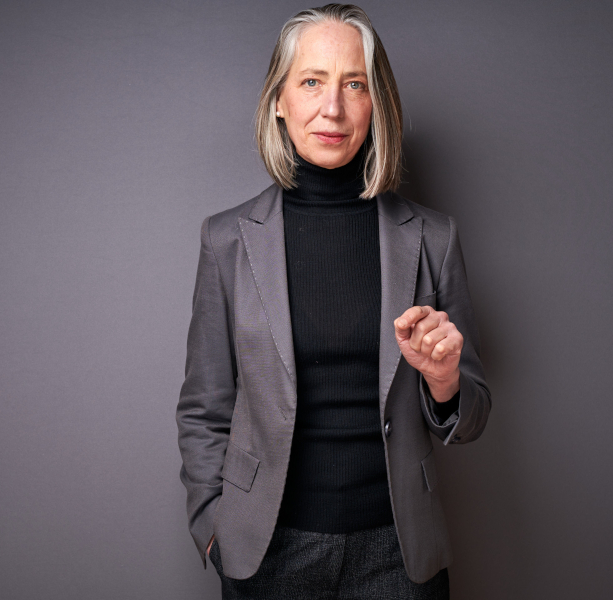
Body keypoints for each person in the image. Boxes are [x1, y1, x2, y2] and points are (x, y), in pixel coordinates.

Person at [176, 4, 491, 599]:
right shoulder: (227, 240)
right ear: (278, 99)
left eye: (355, 84)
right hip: (267, 551)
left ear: (378, 104)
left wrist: (445, 381)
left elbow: (473, 416)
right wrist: (215, 530)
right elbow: (203, 408)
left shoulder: (433, 238)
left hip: (399, 555)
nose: (332, 108)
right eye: (311, 81)